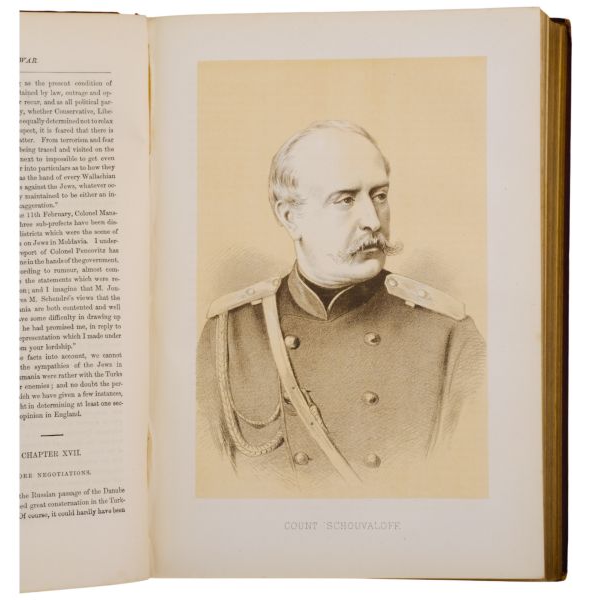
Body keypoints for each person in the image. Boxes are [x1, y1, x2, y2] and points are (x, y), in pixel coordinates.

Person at [196, 120, 486, 497]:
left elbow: (465, 485)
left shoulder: (448, 334)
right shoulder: (228, 334)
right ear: (290, 217)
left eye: (379, 196)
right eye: (345, 200)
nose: (372, 221)